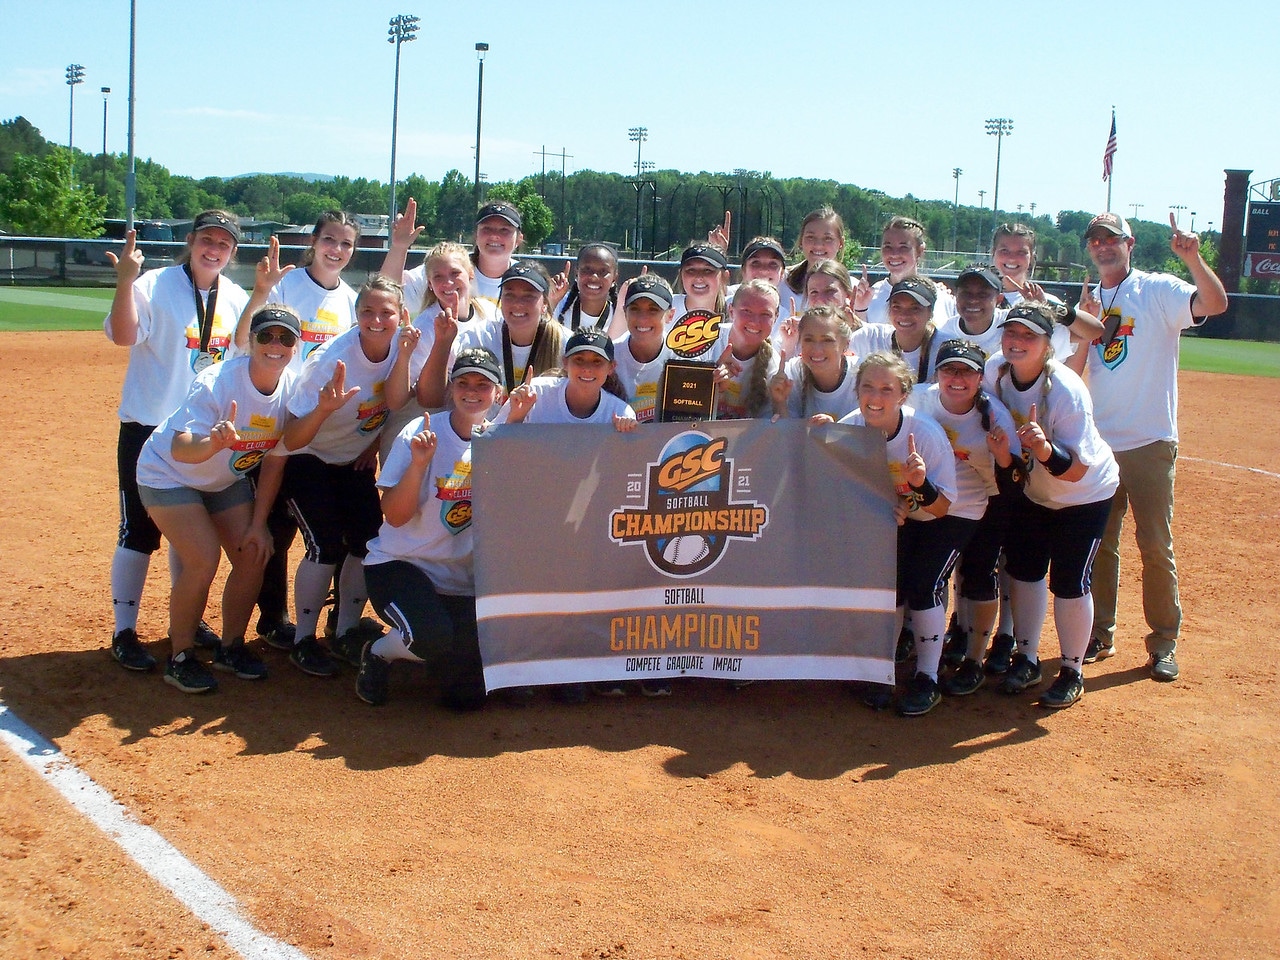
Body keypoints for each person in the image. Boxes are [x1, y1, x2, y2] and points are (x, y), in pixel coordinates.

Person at [1080, 212, 1228, 682]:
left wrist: (1193, 259)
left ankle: (1164, 640)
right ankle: (1099, 633)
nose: (1104, 247)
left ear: (1131, 243)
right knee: (1099, 544)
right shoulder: (1089, 300)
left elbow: (1215, 303)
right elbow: (1073, 362)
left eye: (1113, 239)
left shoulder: (1157, 289)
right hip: (1100, 441)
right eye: (1097, 240)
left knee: (1154, 543)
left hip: (1148, 441)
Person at [105, 210, 250, 672]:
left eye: (224, 244)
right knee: (140, 531)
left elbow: (242, 357)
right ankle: (124, 631)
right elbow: (124, 336)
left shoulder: (235, 296)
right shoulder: (154, 283)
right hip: (149, 427)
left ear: (232, 251)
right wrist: (125, 282)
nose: (215, 249)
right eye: (207, 239)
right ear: (190, 241)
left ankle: (182, 624)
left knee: (190, 534)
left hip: (202, 432)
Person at [132, 305, 298, 693]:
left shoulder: (291, 387)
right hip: (169, 474)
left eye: (285, 337)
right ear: (251, 341)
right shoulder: (218, 382)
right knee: (203, 557)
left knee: (255, 551)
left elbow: (274, 461)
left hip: (224, 480)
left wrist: (258, 525)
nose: (275, 345)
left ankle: (230, 647)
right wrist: (214, 443)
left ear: (296, 345)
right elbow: (181, 447)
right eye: (266, 336)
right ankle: (181, 656)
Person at [230, 211, 362, 651]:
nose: (337, 250)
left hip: (317, 425)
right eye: (330, 240)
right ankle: (272, 616)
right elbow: (244, 340)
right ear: (313, 240)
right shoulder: (288, 285)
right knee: (273, 527)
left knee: (324, 526)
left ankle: (329, 618)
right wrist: (263, 291)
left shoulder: (349, 298)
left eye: (346, 244)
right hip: (275, 417)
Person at [280, 275, 418, 676]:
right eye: (367, 312)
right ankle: (303, 639)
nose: (377, 320)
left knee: (369, 541)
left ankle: (344, 630)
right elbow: (290, 435)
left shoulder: (403, 347)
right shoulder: (331, 360)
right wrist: (323, 409)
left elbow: (394, 403)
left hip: (352, 460)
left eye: (386, 312)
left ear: (401, 315)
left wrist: (372, 445)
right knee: (324, 544)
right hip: (307, 457)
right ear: (356, 315)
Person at [985, 302, 1120, 708]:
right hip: (1034, 492)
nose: (1018, 341)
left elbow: (1077, 470)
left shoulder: (1065, 390)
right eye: (1012, 332)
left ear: (1048, 345)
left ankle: (1072, 670)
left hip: (1084, 495)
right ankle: (1026, 658)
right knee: (1024, 572)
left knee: (1069, 581)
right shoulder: (997, 370)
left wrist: (1044, 450)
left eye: (1030, 335)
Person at [355, 348, 507, 709]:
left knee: (465, 699)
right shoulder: (421, 431)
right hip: (401, 564)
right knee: (432, 637)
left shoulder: (505, 439)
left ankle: (430, 649)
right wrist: (419, 465)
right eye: (464, 383)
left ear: (498, 393)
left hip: (459, 579)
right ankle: (378, 651)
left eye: (483, 385)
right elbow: (393, 515)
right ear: (451, 388)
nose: (472, 392)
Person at [827, 352, 963, 717]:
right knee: (889, 589)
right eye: (868, 386)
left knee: (924, 588)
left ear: (903, 394)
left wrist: (918, 487)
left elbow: (943, 507)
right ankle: (882, 670)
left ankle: (928, 677)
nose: (876, 396)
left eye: (887, 389)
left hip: (939, 517)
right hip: (890, 520)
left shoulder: (926, 434)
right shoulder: (851, 428)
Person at [910, 340, 1024, 696]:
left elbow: (1015, 480)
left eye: (967, 371)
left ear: (980, 378)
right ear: (937, 373)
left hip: (978, 503)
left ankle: (974, 659)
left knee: (976, 577)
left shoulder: (994, 417)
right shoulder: (918, 400)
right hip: (925, 500)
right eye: (949, 369)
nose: (956, 378)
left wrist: (1003, 457)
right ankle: (934, 643)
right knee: (921, 575)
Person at [452, 261, 568, 391]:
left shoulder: (566, 343)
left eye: (528, 296)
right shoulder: (479, 337)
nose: (517, 304)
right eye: (509, 295)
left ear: (545, 303)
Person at [853, 216, 955, 326]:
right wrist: (860, 310)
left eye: (903, 247)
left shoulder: (942, 298)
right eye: (888, 247)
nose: (894, 254)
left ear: (920, 251)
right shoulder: (869, 297)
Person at [850, 276, 945, 389]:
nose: (904, 315)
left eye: (915, 308)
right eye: (897, 307)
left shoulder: (945, 347)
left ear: (930, 312)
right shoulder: (870, 337)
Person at [769, 306, 859, 420]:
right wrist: (779, 402)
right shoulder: (792, 373)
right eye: (808, 340)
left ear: (846, 344)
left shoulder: (862, 375)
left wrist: (832, 432)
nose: (817, 349)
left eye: (827, 340)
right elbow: (787, 434)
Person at [612, 274, 679, 424]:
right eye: (635, 309)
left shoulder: (683, 359)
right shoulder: (608, 357)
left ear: (670, 315)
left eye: (653, 310)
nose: (643, 318)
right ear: (625, 312)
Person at [712, 279, 781, 419]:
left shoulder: (774, 364)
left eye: (765, 314)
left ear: (776, 318)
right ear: (731, 311)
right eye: (746, 311)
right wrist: (711, 382)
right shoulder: (708, 342)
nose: (755, 321)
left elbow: (767, 425)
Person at [782, 206, 846, 310]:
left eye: (828, 238)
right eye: (810, 237)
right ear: (801, 241)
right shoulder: (782, 282)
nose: (818, 245)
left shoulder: (853, 287)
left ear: (841, 243)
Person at [552, 243, 620, 331]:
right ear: (576, 273)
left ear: (614, 278)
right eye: (587, 269)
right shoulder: (558, 305)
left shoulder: (621, 317)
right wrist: (550, 302)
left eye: (603, 271)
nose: (594, 277)